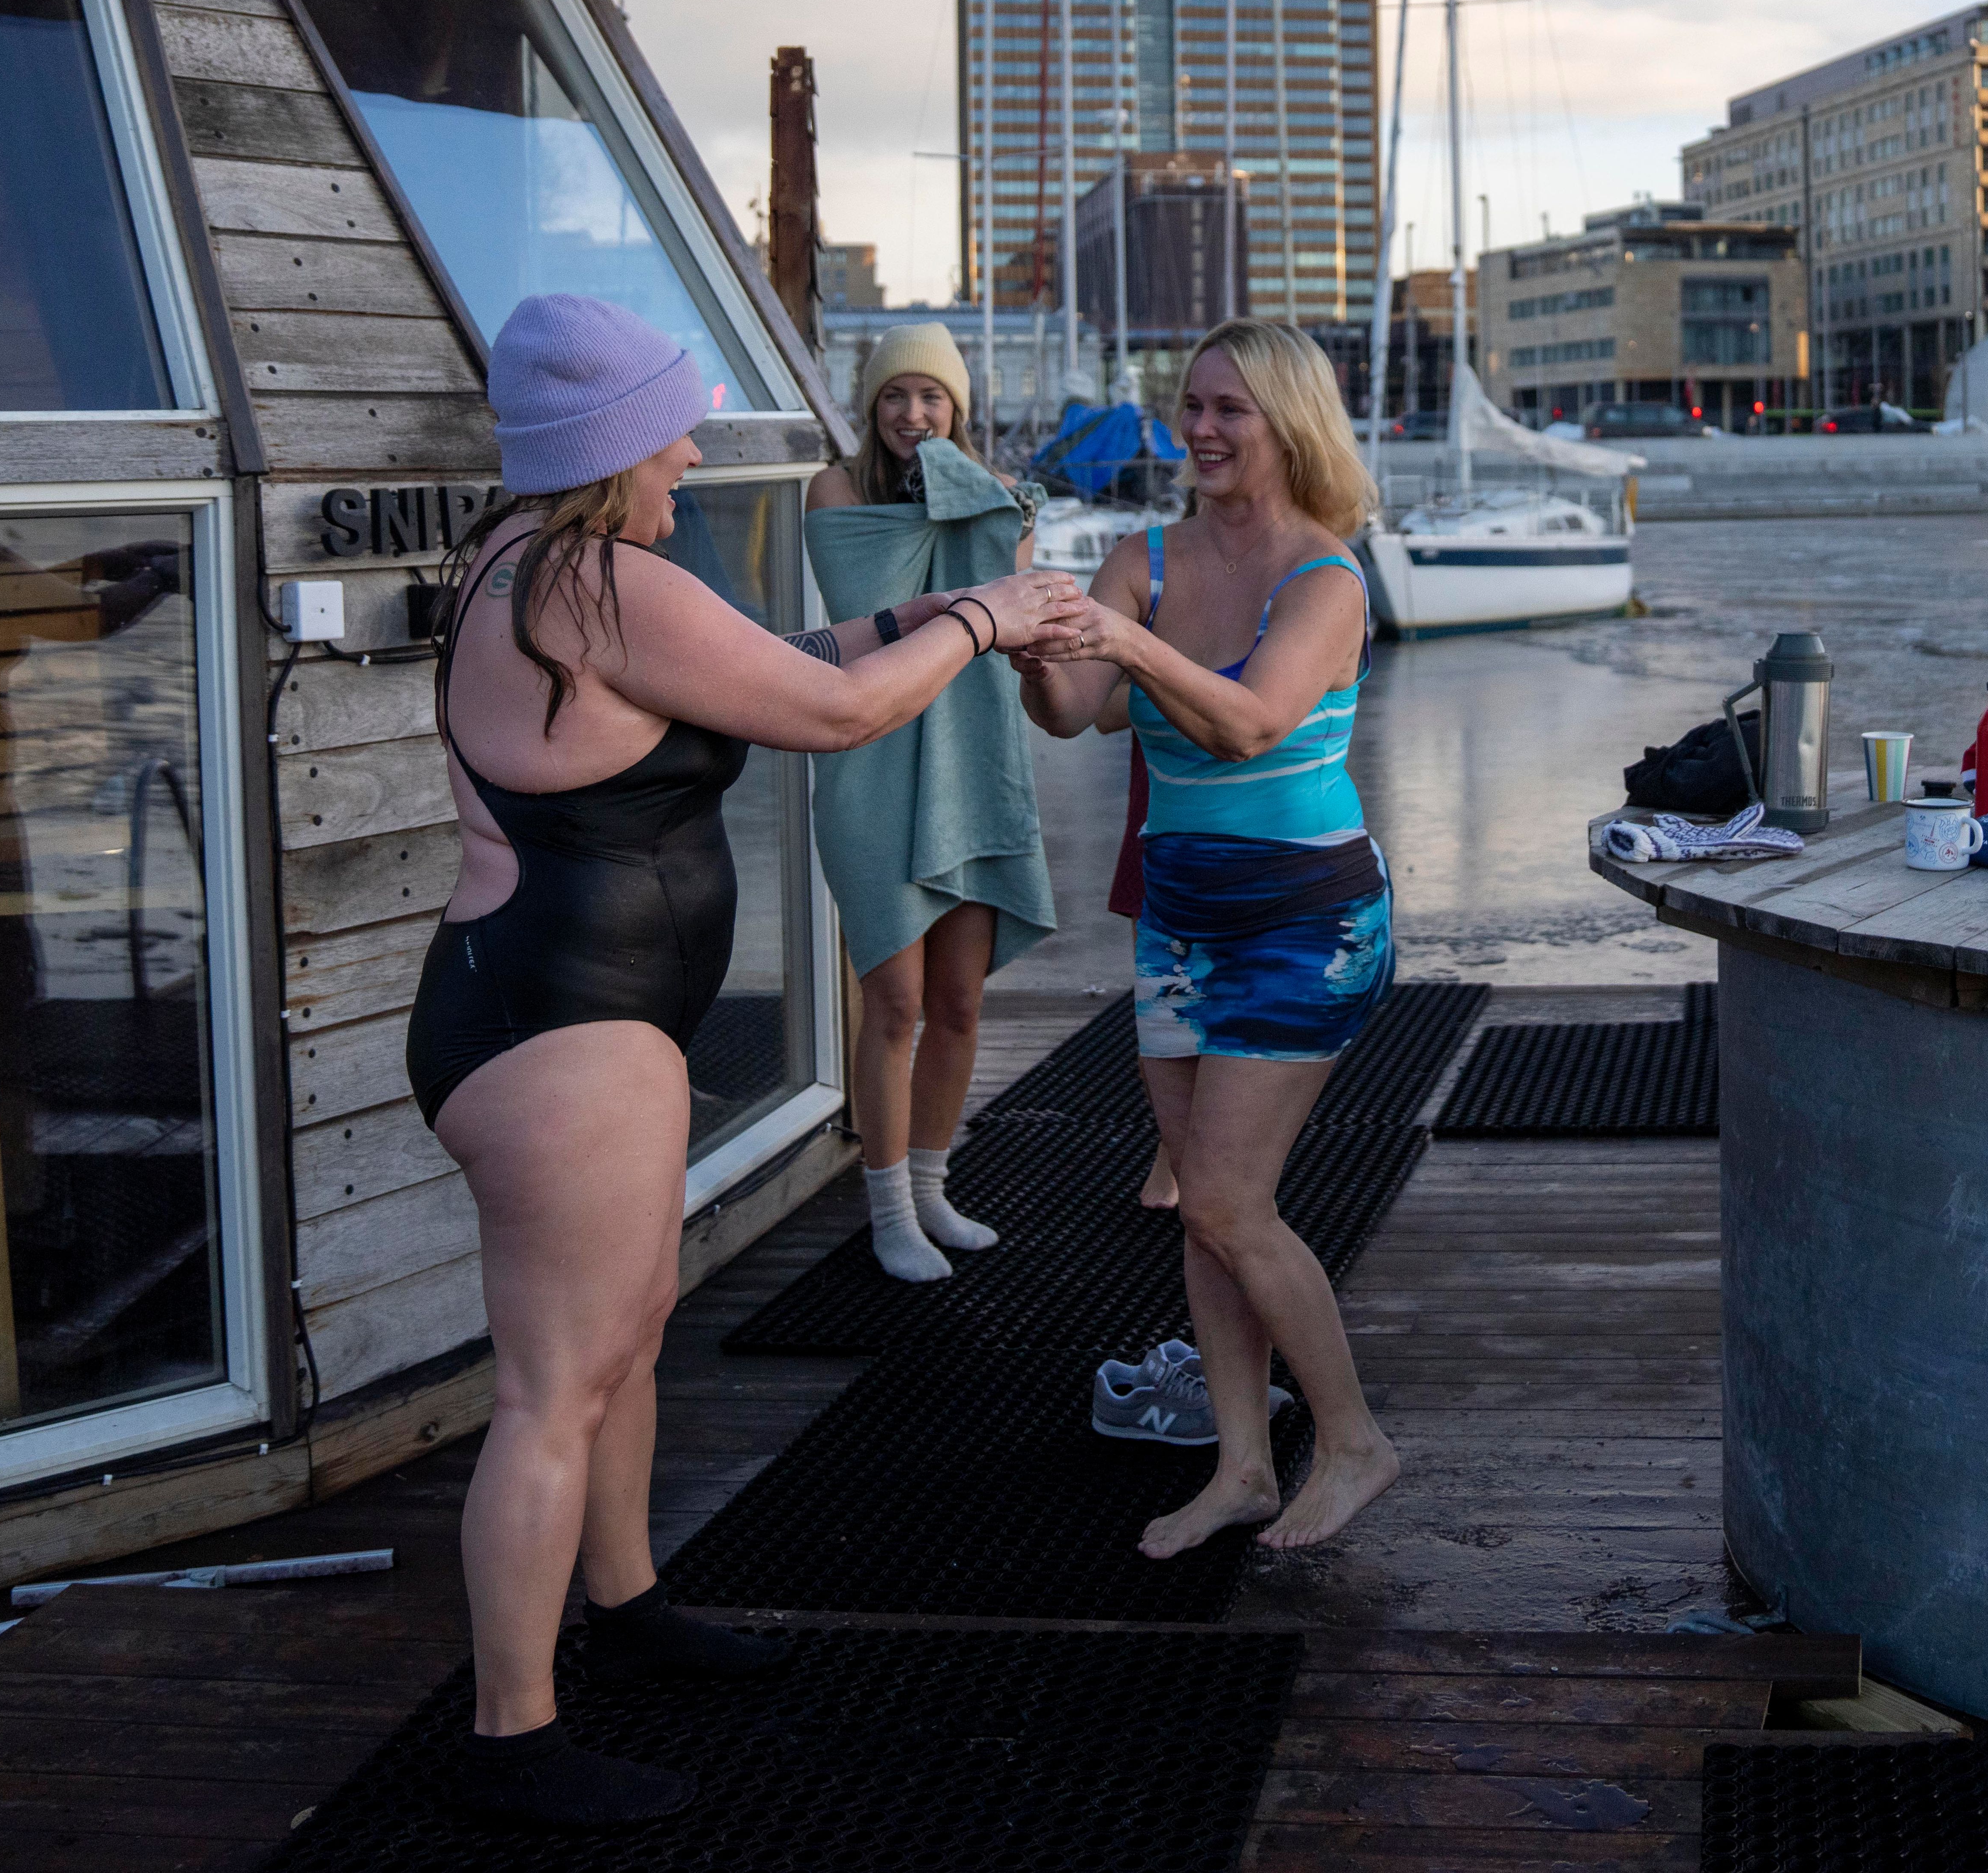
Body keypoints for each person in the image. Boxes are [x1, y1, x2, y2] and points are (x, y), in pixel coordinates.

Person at [413, 295, 1083, 1826]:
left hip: (587, 1020)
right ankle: (511, 1738)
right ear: (606, 445)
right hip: (550, 1029)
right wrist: (984, 619)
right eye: (672, 422)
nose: (692, 447)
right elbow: (833, 715)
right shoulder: (588, 576)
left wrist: (920, 612)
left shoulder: (561, 565)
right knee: (552, 1387)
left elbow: (781, 654)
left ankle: (631, 1604)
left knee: (629, 1332)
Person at [1018, 319, 1404, 1557]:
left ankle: (1351, 1442)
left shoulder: (1328, 577)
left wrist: (1124, 637)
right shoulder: (1149, 557)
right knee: (1199, 1212)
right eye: (1190, 406)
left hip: (1308, 920)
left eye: (1229, 408)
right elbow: (1079, 714)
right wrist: (1035, 638)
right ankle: (1241, 1466)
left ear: (1289, 422)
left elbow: (1248, 724)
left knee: (1233, 1199)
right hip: (1181, 922)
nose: (1200, 430)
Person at [806, 324, 1051, 1280]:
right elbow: (875, 616)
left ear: (961, 407)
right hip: (872, 759)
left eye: (934, 400)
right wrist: (977, 499)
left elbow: (1010, 611)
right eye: (896, 398)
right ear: (869, 406)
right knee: (895, 1003)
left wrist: (983, 496)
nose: (914, 416)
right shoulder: (837, 490)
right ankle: (887, 1212)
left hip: (973, 756)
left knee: (957, 1002)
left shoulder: (998, 499)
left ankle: (934, 1191)